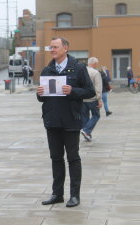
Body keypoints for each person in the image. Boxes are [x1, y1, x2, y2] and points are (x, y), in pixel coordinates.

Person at [37, 37, 95, 207]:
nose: (52, 50)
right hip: (52, 121)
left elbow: (89, 91)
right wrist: (40, 93)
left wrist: (72, 90)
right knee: (56, 158)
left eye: (55, 47)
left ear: (65, 48)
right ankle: (57, 194)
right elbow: (42, 98)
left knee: (73, 158)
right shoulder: (47, 70)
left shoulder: (78, 68)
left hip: (71, 120)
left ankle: (75, 195)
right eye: (51, 47)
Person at [81, 57, 102, 142]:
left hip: (82, 98)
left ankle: (87, 135)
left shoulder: (82, 71)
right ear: (94, 64)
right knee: (96, 115)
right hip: (93, 99)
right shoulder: (95, 73)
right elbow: (98, 87)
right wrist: (99, 99)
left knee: (85, 117)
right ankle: (86, 130)